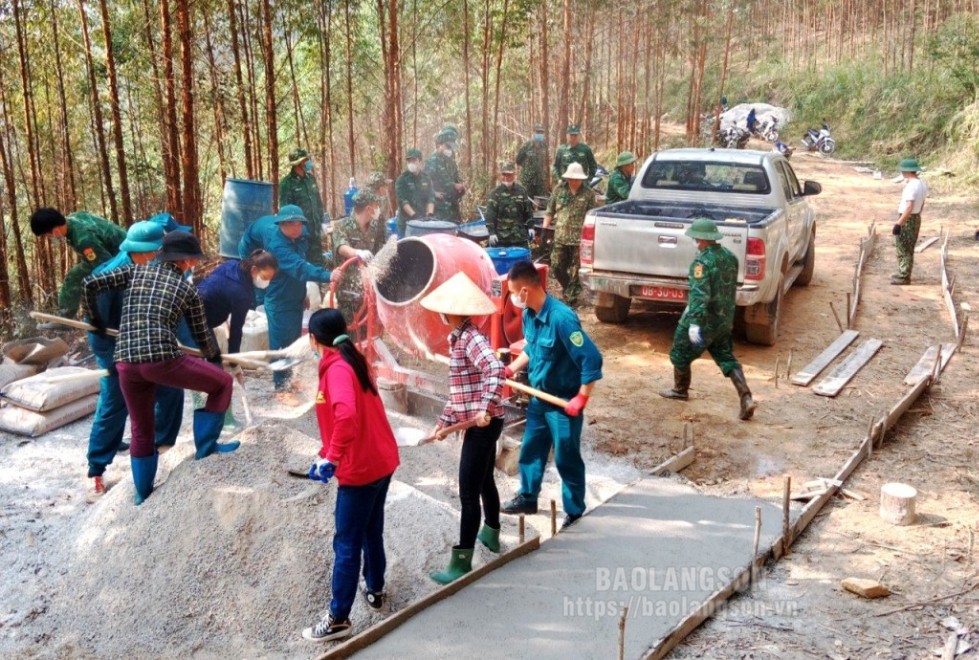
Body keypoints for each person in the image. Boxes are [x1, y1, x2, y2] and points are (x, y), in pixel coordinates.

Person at [82, 232, 240, 506]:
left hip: (126, 364)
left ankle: (142, 493)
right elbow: (202, 336)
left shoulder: (133, 273)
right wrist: (216, 361)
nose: (193, 264)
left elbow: (90, 283)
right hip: (162, 360)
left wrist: (95, 319)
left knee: (142, 428)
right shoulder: (186, 290)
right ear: (184, 260)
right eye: (193, 259)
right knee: (222, 384)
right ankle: (206, 447)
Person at [302, 308, 400, 643]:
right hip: (380, 459)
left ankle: (338, 617)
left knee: (346, 543)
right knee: (372, 528)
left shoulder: (338, 369)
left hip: (361, 469)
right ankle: (375, 588)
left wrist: (332, 458)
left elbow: (346, 418)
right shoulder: (351, 358)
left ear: (314, 340)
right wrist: (325, 454)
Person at [84, 221, 184, 496]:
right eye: (156, 252)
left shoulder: (156, 271)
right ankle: (97, 469)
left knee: (171, 387)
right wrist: (112, 361)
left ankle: (161, 448)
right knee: (115, 403)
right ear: (141, 252)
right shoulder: (109, 279)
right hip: (114, 346)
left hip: (149, 342)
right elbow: (97, 328)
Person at [501, 261, 603, 529]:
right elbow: (533, 349)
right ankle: (528, 497)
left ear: (525, 290)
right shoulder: (529, 315)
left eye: (513, 293)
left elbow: (591, 359)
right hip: (538, 398)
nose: (512, 299)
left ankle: (574, 511)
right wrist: (511, 369)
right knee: (531, 450)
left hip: (563, 403)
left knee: (566, 458)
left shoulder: (561, 319)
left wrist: (582, 397)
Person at [420, 273, 506, 584]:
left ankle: (461, 562)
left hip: (485, 424)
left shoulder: (471, 339)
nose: (440, 314)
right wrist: (441, 426)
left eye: (443, 309)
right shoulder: (459, 337)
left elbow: (496, 369)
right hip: (481, 420)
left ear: (453, 311)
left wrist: (485, 407)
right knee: (485, 480)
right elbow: (459, 394)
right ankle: (492, 534)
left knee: (468, 492)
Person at [658, 218, 756, 421]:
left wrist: (694, 324)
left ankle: (680, 389)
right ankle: (746, 397)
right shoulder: (730, 257)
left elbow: (699, 295)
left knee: (679, 353)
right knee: (726, 357)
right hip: (723, 320)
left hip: (703, 321)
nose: (695, 242)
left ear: (702, 240)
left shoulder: (700, 263)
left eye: (696, 239)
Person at [238, 204, 335, 403]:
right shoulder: (277, 245)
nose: (298, 228)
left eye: (300, 223)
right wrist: (328, 275)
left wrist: (302, 292)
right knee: (281, 343)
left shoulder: (299, 236)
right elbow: (299, 267)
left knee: (293, 340)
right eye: (292, 224)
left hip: (293, 295)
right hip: (278, 297)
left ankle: (290, 377)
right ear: (282, 224)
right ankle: (281, 387)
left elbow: (300, 261)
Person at [196, 249, 279, 426]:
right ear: (254, 270)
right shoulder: (241, 293)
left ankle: (217, 414)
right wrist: (235, 361)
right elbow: (236, 330)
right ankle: (221, 420)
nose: (267, 282)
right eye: (265, 277)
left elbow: (217, 290)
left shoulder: (232, 265)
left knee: (208, 366)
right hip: (195, 321)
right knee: (216, 371)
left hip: (199, 310)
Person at [29, 207, 126, 319]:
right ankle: (65, 316)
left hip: (125, 257)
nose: (49, 238)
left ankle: (112, 314)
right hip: (117, 252)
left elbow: (106, 266)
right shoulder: (74, 218)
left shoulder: (83, 240)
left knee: (95, 277)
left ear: (55, 231)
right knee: (75, 275)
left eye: (47, 235)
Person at [543, 162, 599, 307]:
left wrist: (591, 236)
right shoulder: (559, 190)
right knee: (556, 267)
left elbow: (592, 216)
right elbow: (550, 211)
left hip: (578, 239)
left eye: (577, 179)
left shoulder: (588, 194)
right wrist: (544, 229)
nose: (574, 182)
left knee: (576, 271)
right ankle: (569, 289)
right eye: (571, 179)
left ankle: (571, 298)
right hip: (561, 237)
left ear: (582, 179)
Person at [332, 190, 387, 328]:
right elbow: (341, 247)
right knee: (350, 332)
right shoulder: (342, 226)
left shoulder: (374, 227)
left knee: (369, 331)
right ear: (369, 208)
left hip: (369, 289)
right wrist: (356, 252)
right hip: (349, 292)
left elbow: (380, 248)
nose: (378, 209)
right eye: (376, 206)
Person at [279, 148, 326, 267]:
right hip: (299, 236)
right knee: (302, 267)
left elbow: (318, 202)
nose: (308, 162)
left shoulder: (311, 179)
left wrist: (322, 221)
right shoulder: (287, 184)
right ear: (298, 163)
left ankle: (318, 286)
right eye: (305, 160)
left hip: (315, 232)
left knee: (318, 266)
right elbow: (285, 212)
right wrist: (296, 232)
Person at [891, 158, 928, 285]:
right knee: (909, 247)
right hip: (916, 217)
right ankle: (904, 272)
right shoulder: (922, 184)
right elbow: (922, 203)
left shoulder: (911, 186)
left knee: (903, 248)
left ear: (906, 171)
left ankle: (904, 276)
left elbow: (909, 207)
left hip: (908, 218)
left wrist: (899, 223)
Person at [485, 162, 534, 248]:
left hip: (519, 237)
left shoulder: (522, 191)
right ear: (501, 175)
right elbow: (490, 215)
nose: (506, 177)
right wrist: (491, 233)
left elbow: (528, 211)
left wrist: (531, 227)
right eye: (504, 174)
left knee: (522, 260)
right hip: (501, 238)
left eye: (509, 174)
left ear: (514, 175)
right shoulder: (495, 193)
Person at [425, 129, 466, 222]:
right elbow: (423, 182)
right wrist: (434, 193)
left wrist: (460, 187)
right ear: (440, 145)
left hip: (453, 209)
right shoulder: (432, 161)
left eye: (451, 147)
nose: (449, 149)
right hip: (439, 210)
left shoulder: (451, 162)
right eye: (447, 146)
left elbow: (456, 179)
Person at [395, 148, 435, 236]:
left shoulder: (426, 178)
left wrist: (430, 214)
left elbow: (430, 197)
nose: (411, 163)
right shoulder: (402, 179)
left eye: (414, 160)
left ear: (420, 161)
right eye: (409, 161)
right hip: (406, 224)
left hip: (423, 224)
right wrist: (414, 215)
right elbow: (402, 201)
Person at [515, 124, 550, 200]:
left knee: (540, 202)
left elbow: (545, 161)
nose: (539, 134)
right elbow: (518, 160)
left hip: (540, 180)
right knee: (526, 202)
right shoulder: (526, 146)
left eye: (541, 132)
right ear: (533, 133)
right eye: (538, 132)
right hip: (527, 180)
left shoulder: (544, 146)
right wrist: (527, 168)